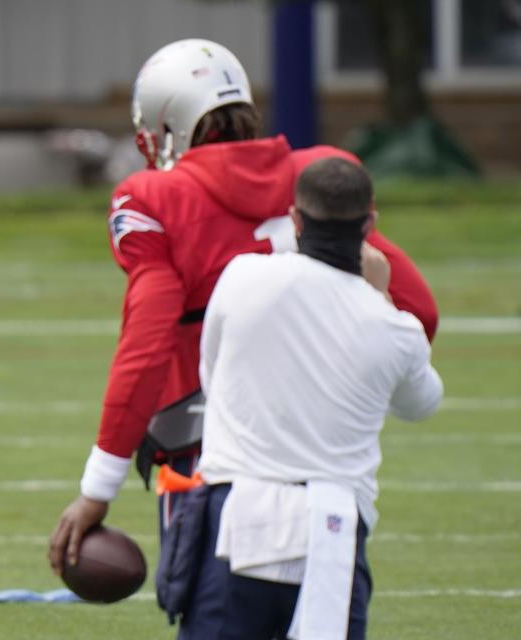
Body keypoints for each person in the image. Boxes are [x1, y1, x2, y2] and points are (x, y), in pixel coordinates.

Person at [49, 38, 438, 591]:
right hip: (321, 456)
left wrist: (98, 486)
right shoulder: (320, 176)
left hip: (209, 461)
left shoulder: (154, 199)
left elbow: (147, 346)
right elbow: (417, 310)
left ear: (170, 125)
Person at [179, 157, 442, 638]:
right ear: (369, 224)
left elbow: (211, 373)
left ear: (296, 219)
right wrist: (382, 298)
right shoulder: (393, 327)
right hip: (334, 535)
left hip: (239, 519)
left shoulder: (241, 278)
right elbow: (422, 403)